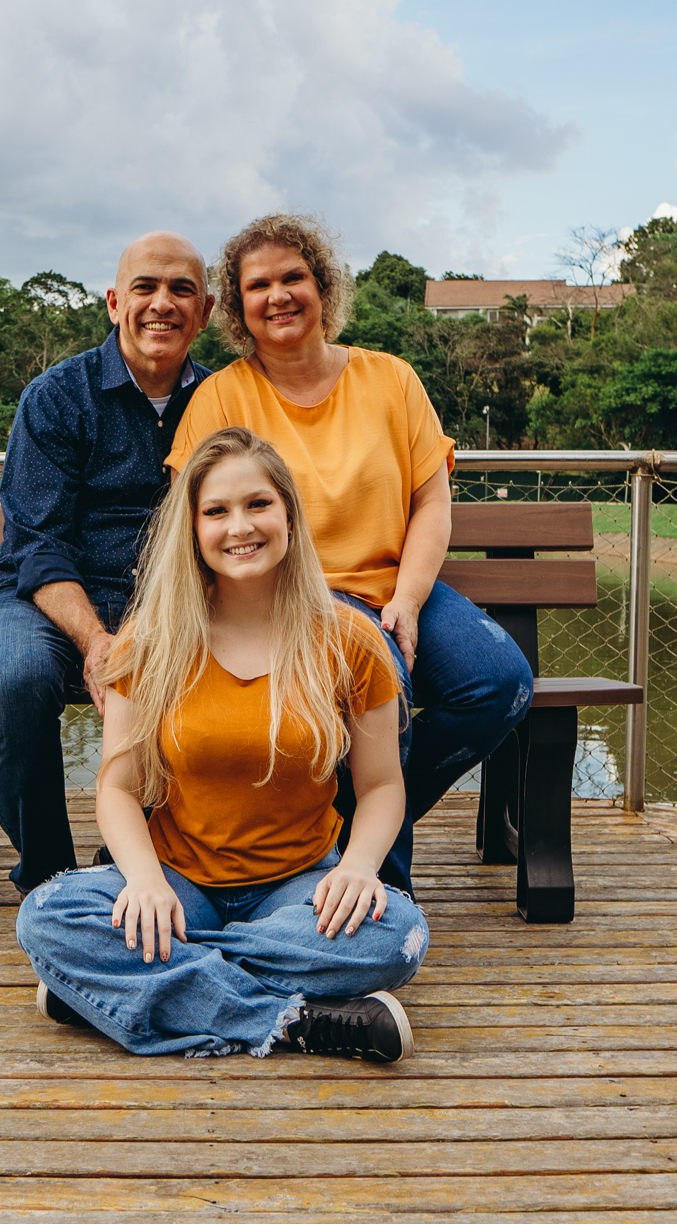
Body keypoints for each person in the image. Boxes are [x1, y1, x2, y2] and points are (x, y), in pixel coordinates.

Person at [16, 426, 431, 1063]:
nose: (240, 526)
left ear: (289, 514)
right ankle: (296, 1023)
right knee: (46, 914)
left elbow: (380, 786)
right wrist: (145, 882)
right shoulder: (147, 643)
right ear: (193, 528)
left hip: (298, 888)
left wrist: (356, 869)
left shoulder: (351, 640)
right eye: (216, 511)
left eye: (258, 504)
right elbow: (118, 790)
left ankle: (121, 990)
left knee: (400, 934)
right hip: (179, 883)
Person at [167, 212, 534, 895]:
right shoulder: (220, 395)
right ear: (239, 306)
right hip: (288, 597)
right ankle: (380, 893)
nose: (278, 295)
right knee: (385, 688)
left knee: (500, 681)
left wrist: (409, 600)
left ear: (323, 285)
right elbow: (193, 519)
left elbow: (431, 502)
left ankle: (341, 829)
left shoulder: (390, 379)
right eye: (258, 285)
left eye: (292, 277)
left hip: (394, 586)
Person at [0, 231, 215, 896]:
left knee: (214, 676)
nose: (161, 304)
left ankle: (136, 858)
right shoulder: (56, 397)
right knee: (16, 679)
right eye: (145, 287)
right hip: (46, 597)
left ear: (207, 312)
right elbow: (37, 542)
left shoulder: (225, 403)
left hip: (170, 602)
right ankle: (50, 877)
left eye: (181, 290)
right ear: (114, 302)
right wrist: (96, 639)